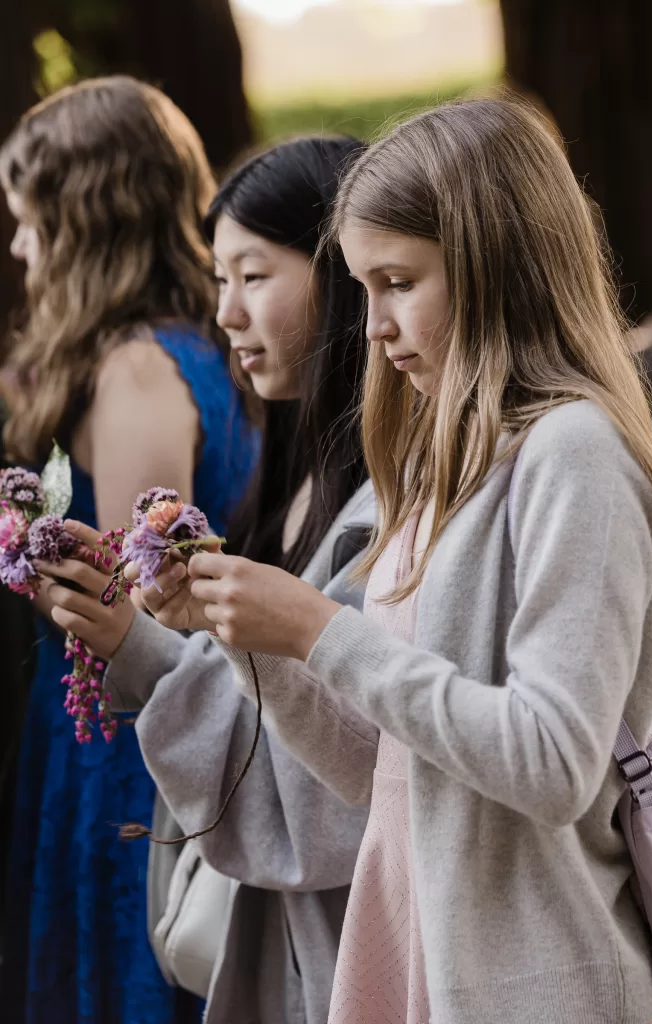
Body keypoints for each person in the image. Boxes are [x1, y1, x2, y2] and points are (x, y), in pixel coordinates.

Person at [182, 99, 652, 1024]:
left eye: (398, 282)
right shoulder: (438, 457)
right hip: (420, 960)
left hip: (542, 978)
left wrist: (323, 631)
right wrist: (265, 644)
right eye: (361, 288)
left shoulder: (574, 454)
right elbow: (386, 774)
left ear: (498, 267)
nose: (369, 326)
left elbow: (551, 760)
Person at [43, 135, 373, 1024]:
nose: (225, 313)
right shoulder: (300, 465)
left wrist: (148, 644)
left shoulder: (387, 504)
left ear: (348, 275)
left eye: (253, 276)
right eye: (217, 278)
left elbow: (333, 773)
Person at [0, 76, 256, 1024]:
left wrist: (23, 553)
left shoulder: (138, 370)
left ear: (85, 219)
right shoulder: (181, 345)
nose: (20, 246)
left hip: (122, 735)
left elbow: (132, 603)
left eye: (30, 222)